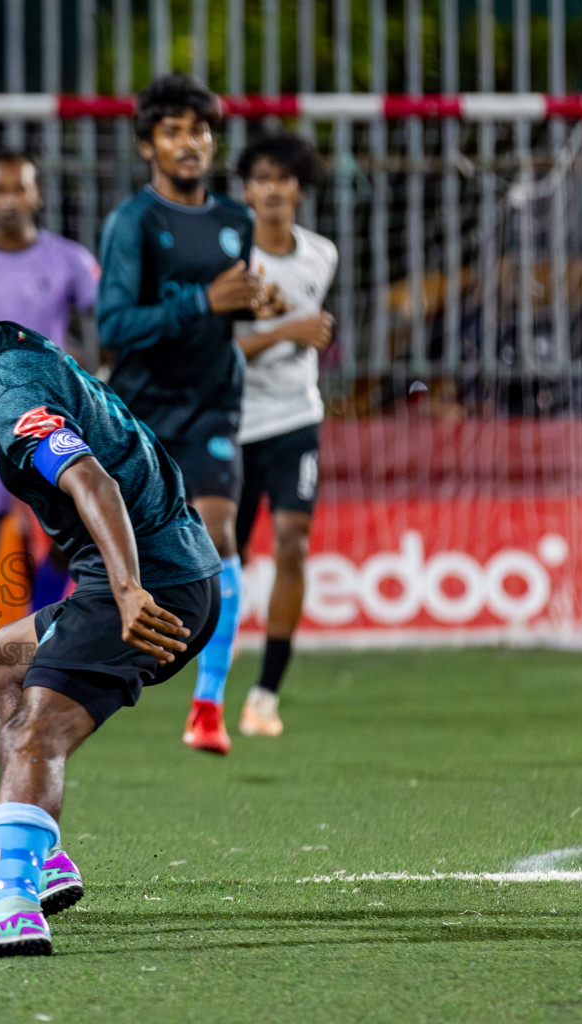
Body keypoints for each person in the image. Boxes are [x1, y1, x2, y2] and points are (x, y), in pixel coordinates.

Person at [0, 232, 220, 959]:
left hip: (150, 584)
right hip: (174, 569)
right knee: (8, 659)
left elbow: (92, 480)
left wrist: (124, 592)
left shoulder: (13, 388)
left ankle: (16, 903)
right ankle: (39, 864)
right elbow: (8, 408)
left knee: (37, 732)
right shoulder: (11, 350)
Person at [96, 73, 261, 756]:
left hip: (213, 408)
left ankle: (208, 705)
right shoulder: (133, 223)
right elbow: (113, 324)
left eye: (199, 130)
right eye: (173, 132)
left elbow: (234, 311)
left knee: (219, 534)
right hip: (140, 412)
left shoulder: (236, 221)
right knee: (123, 555)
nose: (189, 143)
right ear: (148, 146)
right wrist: (204, 303)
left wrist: (259, 304)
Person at [0, 153, 102, 718]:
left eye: (21, 187)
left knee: (67, 541)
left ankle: (32, 654)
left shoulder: (69, 260)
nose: (9, 198)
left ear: (38, 196)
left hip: (51, 419)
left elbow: (105, 324)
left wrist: (89, 373)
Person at [232, 133, 338, 737]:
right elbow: (220, 351)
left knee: (293, 540)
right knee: (230, 559)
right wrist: (287, 331)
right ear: (246, 190)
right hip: (235, 422)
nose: (273, 189)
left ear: (299, 187)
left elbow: (310, 331)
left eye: (283, 178)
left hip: (297, 417)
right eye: (261, 178)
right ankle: (210, 679)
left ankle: (267, 691)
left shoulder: (321, 255)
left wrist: (302, 331)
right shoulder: (233, 261)